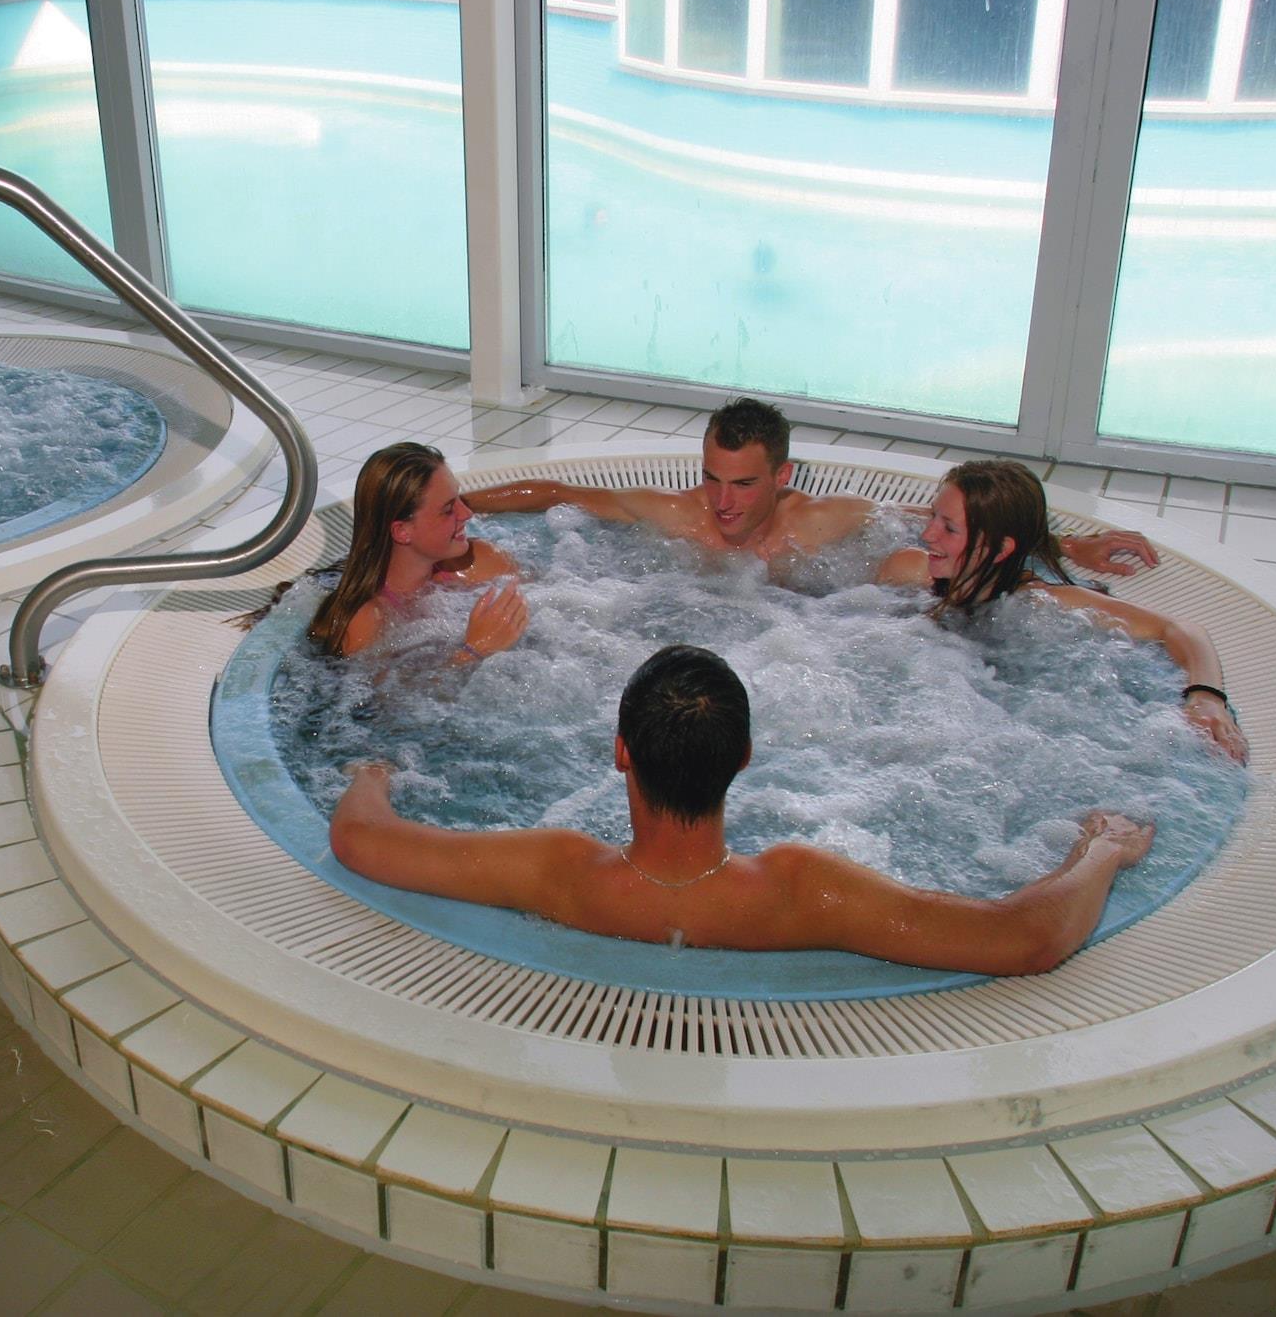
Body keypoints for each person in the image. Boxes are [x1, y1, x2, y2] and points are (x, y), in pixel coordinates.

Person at [331, 645, 1153, 976]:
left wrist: (373, 774)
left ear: (620, 753)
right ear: (746, 759)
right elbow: (1025, 936)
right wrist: (1099, 851)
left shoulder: (558, 872)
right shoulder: (801, 889)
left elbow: (362, 839)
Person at [463, 396, 1155, 575]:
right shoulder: (676, 514)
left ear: (783, 476)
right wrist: (461, 505)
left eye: (743, 484)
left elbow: (945, 521)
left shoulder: (819, 521)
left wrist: (1067, 546)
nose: (722, 501)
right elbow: (554, 492)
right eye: (710, 478)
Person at [878, 459, 1248, 762]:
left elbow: (1181, 629)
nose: (927, 534)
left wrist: (1206, 697)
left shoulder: (1044, 602)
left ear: (1001, 548)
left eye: (948, 528)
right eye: (933, 516)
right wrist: (1066, 544)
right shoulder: (909, 568)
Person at [307, 441, 527, 659]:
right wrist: (474, 651)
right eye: (448, 509)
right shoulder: (365, 620)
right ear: (402, 531)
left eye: (459, 498)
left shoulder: (478, 562)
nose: (467, 513)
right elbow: (374, 685)